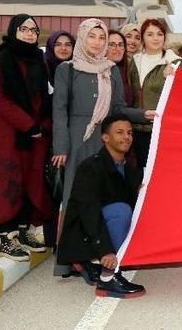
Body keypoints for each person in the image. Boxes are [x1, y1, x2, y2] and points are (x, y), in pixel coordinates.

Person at [51, 18, 152, 276]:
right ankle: (66, 262)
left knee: (101, 197)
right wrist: (61, 146)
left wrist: (144, 114)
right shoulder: (67, 69)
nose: (97, 42)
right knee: (73, 197)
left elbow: (117, 108)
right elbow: (59, 109)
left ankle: (98, 253)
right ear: (83, 38)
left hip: (105, 141)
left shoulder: (111, 70)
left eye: (101, 37)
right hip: (76, 140)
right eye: (92, 37)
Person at [0, 14, 54, 261]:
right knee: (7, 182)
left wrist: (41, 124)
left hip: (35, 134)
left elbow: (43, 96)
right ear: (13, 31)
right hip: (8, 132)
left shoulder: (39, 61)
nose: (30, 33)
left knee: (30, 180)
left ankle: (23, 230)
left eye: (34, 30)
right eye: (24, 29)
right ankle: (6, 237)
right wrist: (27, 123)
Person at [56, 114, 146, 298]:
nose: (126, 137)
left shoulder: (129, 169)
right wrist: (105, 249)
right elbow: (88, 211)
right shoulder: (90, 167)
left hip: (101, 229)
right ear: (105, 137)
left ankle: (93, 263)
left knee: (136, 209)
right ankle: (108, 276)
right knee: (121, 211)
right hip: (84, 235)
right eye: (119, 132)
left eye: (129, 133)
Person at [129, 18, 182, 169]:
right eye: (150, 34)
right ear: (143, 37)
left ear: (165, 37)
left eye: (159, 34)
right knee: (140, 176)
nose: (155, 38)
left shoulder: (174, 62)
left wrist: (171, 77)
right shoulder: (135, 61)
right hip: (137, 130)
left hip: (163, 131)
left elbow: (181, 99)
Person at [106, 29, 134, 107]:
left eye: (121, 45)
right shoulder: (96, 71)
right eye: (111, 44)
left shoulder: (126, 71)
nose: (117, 48)